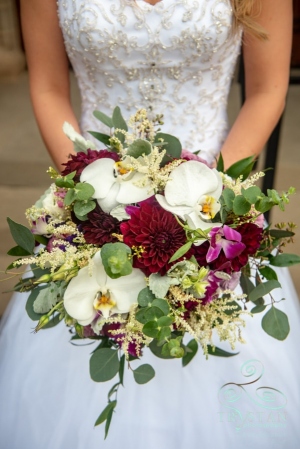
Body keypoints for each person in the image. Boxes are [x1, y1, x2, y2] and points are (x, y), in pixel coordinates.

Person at [0, 1, 299, 448]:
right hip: (96, 208)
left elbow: (267, 90)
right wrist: (91, 200)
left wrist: (208, 201)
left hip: (211, 205)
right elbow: (46, 87)